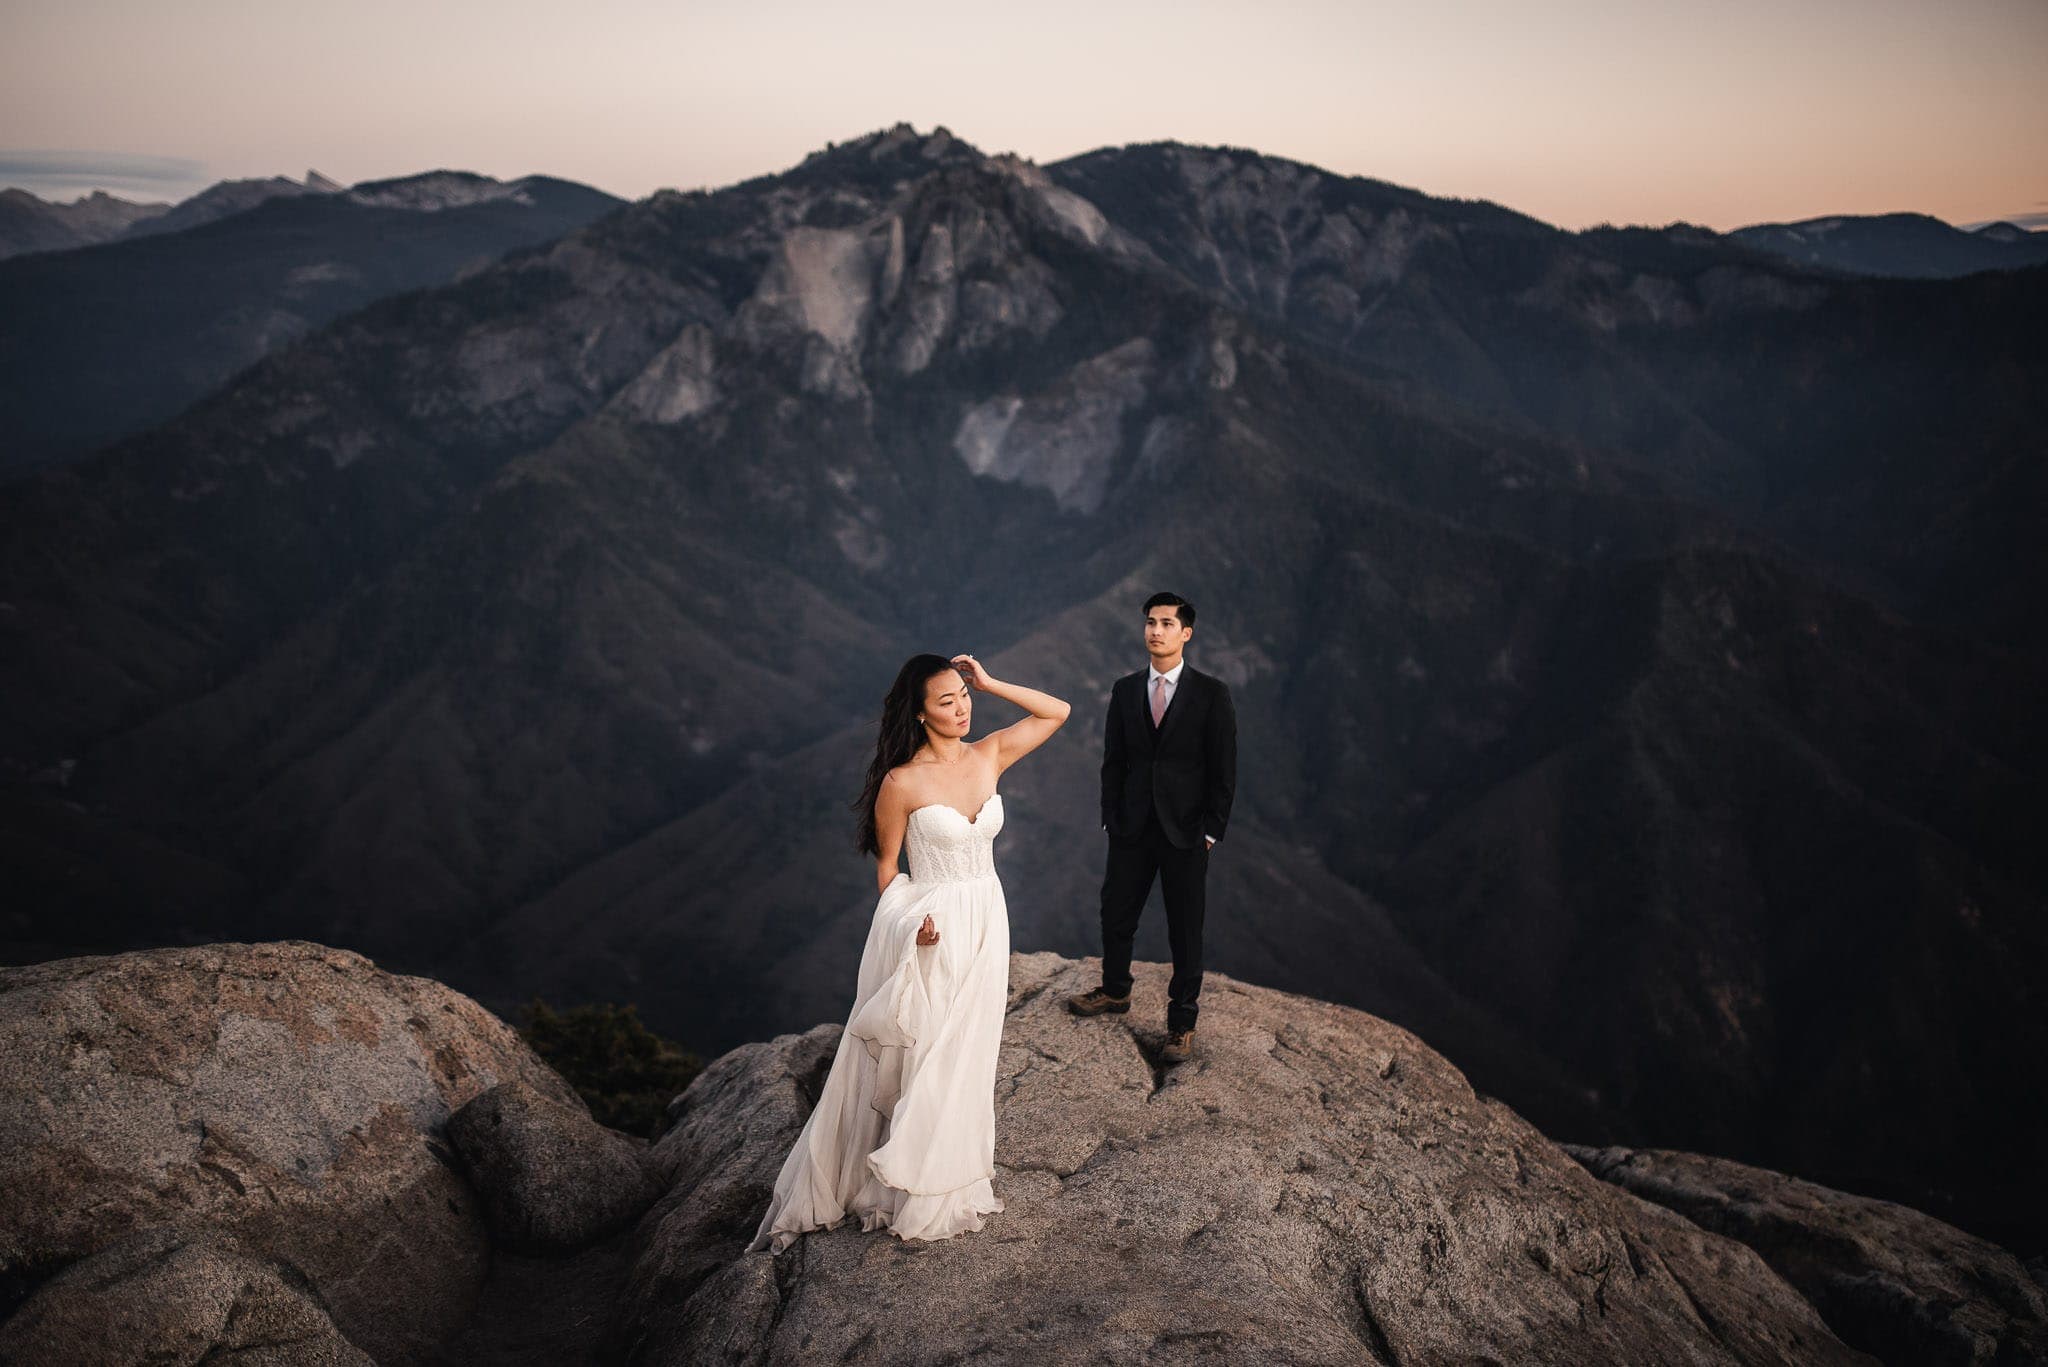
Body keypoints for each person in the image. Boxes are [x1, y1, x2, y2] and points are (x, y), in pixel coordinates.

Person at [747, 651, 1070, 1253]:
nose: (962, 708)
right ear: (920, 714)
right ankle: (908, 1188)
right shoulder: (901, 783)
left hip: (987, 917)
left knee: (969, 1050)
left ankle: (941, 1178)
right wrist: (908, 926)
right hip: (933, 925)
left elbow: (1058, 711)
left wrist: (993, 682)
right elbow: (889, 872)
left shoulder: (989, 753)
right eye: (946, 701)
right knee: (928, 1051)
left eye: (964, 696)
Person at [1067, 592, 1236, 1063]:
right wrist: (1110, 816)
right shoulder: (1125, 690)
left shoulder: (1210, 694)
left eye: (1166, 623)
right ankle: (1116, 990)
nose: (1155, 630)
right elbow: (1113, 761)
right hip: (1131, 826)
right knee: (1116, 912)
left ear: (1186, 633)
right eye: (1150, 622)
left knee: (1185, 928)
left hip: (1186, 832)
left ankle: (1181, 1023)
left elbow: (1224, 769)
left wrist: (1210, 831)